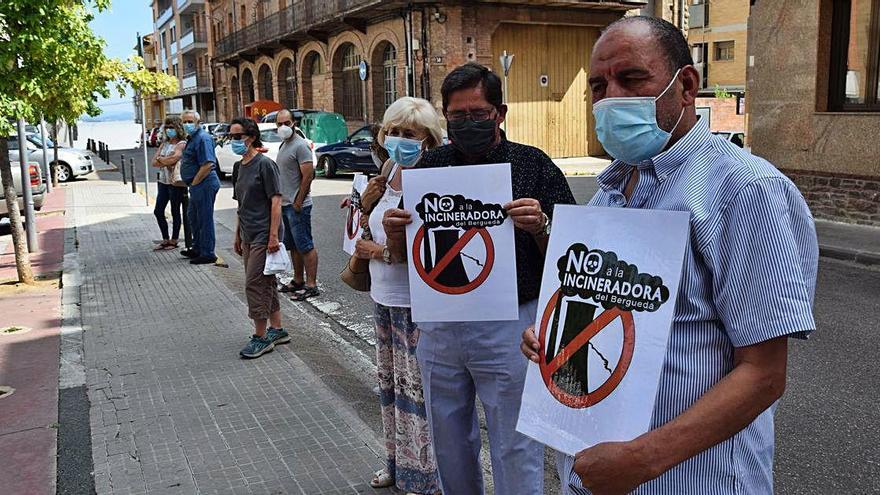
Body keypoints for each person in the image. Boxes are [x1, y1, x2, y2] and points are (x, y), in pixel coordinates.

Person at [519, 16, 818, 494]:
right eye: (598, 85)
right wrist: (552, 339)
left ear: (686, 87)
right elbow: (604, 311)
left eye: (632, 78)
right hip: (597, 471)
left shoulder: (743, 190)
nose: (611, 97)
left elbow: (763, 373)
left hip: (694, 480)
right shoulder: (610, 192)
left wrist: (642, 460)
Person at [383, 63, 576, 494]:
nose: (467, 123)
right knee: (448, 442)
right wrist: (397, 235)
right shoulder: (429, 166)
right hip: (441, 323)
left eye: (478, 113)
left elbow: (570, 259)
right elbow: (405, 257)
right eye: (457, 115)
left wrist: (541, 226)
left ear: (500, 113)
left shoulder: (533, 165)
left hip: (510, 325)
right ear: (445, 116)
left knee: (515, 442)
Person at [353, 97, 442, 495]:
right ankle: (395, 462)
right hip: (383, 298)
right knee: (390, 389)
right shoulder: (388, 170)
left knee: (419, 395)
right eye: (393, 132)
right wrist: (364, 205)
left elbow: (431, 252)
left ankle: (424, 476)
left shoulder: (433, 177)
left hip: (416, 304)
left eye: (410, 134)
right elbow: (363, 230)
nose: (399, 140)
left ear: (427, 139)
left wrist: (381, 251)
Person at [228, 117, 290, 359]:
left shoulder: (265, 165)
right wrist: (237, 234)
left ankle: (261, 337)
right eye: (230, 136)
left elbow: (276, 201)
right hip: (247, 233)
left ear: (251, 137)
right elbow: (240, 204)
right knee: (266, 282)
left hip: (265, 233)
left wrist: (273, 236)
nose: (233, 141)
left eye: (237, 136)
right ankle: (277, 329)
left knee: (253, 283)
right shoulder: (238, 167)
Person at [274, 109, 320, 300]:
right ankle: (298, 279)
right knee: (293, 246)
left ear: (294, 123)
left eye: (287, 123)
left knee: (305, 245)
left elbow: (308, 175)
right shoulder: (284, 145)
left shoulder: (300, 146)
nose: (283, 127)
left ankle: (311, 284)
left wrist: (299, 201)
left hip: (297, 205)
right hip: (286, 205)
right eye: (279, 124)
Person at [179, 109, 220, 265]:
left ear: (197, 122)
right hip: (196, 184)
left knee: (204, 219)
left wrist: (195, 182)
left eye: (190, 121)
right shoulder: (192, 138)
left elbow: (208, 164)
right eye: (184, 121)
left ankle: (208, 253)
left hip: (204, 183)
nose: (187, 124)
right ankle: (197, 248)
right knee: (193, 217)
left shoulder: (202, 138)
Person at [151, 116, 187, 251]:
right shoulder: (164, 144)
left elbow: (176, 158)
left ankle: (174, 240)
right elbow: (154, 162)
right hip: (163, 181)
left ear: (178, 128)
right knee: (158, 211)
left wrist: (162, 159)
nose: (169, 130)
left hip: (175, 182)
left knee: (175, 211)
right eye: (167, 127)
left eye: (171, 127)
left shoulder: (181, 144)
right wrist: (165, 160)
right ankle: (165, 239)